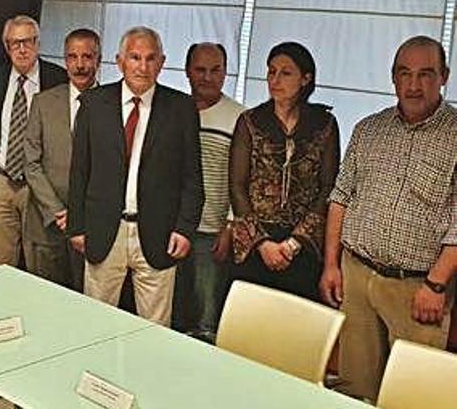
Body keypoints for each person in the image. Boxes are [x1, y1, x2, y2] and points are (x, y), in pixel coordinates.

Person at [319, 35, 457, 403]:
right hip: (357, 276)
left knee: (414, 393)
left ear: (444, 76)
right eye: (404, 73)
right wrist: (331, 265)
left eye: (425, 74)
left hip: (417, 289)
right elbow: (340, 198)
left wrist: (437, 285)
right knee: (353, 387)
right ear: (392, 78)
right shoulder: (368, 129)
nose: (413, 85)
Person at [67, 26, 203, 326]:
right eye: (135, 57)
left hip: (159, 234)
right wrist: (77, 226)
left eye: (151, 58)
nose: (143, 66)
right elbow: (79, 171)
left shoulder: (181, 109)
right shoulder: (93, 104)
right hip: (103, 231)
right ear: (119, 61)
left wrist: (184, 229)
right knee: (94, 323)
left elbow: (192, 178)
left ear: (162, 62)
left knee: (155, 329)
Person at [229, 42, 339, 301]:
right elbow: (237, 185)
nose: (275, 80)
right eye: (271, 71)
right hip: (257, 242)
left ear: (305, 79)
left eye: (285, 73)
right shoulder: (250, 121)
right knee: (248, 323)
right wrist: (262, 242)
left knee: (295, 327)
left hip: (303, 243)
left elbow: (329, 187)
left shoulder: (324, 124)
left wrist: (294, 243)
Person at [173, 42, 244, 343]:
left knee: (206, 318)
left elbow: (243, 179)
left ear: (226, 73)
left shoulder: (240, 117)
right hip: (173, 227)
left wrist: (229, 226)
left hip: (212, 230)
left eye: (216, 70)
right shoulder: (172, 111)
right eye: (200, 70)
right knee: (172, 312)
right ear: (188, 72)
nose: (207, 77)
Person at [0, 15, 67, 268]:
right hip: (1, 183)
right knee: (0, 264)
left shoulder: (58, 79)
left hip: (39, 185)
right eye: (14, 43)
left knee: (40, 264)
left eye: (27, 42)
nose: (21, 49)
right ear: (6, 46)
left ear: (38, 43)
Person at [24, 28, 99, 290]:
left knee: (86, 304)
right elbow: (30, 163)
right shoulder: (43, 102)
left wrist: (82, 214)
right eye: (72, 57)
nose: (80, 65)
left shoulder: (112, 104)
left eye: (87, 57)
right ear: (64, 60)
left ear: (99, 60)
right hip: (47, 224)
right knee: (44, 301)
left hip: (93, 226)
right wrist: (58, 211)